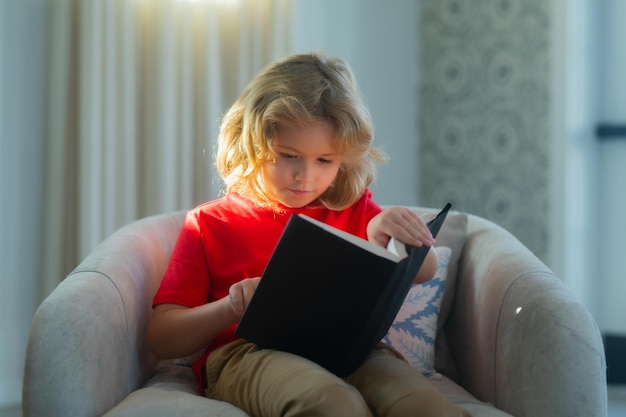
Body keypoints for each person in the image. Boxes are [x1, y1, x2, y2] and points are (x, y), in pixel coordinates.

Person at [147, 52, 470, 417]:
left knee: (424, 407)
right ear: (251, 143)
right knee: (332, 404)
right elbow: (162, 337)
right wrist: (231, 307)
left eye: (325, 161)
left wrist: (392, 229)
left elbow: (425, 270)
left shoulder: (353, 207)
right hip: (249, 353)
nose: (305, 177)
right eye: (288, 155)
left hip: (351, 348)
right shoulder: (210, 222)